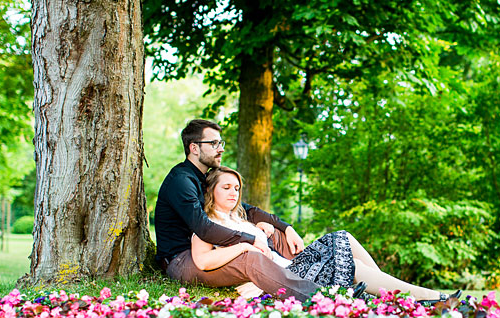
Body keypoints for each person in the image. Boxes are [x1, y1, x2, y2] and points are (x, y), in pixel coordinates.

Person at [191, 166, 459, 303]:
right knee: (349, 264)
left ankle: (391, 292)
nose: (233, 193)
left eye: (236, 188)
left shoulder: (242, 218)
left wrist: (264, 230)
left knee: (342, 237)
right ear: (211, 191)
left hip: (292, 267)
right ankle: (428, 296)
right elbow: (203, 262)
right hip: (285, 280)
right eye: (226, 187)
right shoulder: (206, 226)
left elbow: (262, 233)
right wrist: (244, 246)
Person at [154, 119, 325, 301]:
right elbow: (203, 228)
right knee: (251, 258)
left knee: (272, 235)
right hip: (182, 260)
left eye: (221, 143)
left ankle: (324, 275)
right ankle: (320, 296)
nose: (221, 149)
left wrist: (286, 228)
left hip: (209, 249)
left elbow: (247, 210)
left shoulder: (204, 179)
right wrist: (249, 241)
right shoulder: (181, 181)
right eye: (213, 144)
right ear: (194, 148)